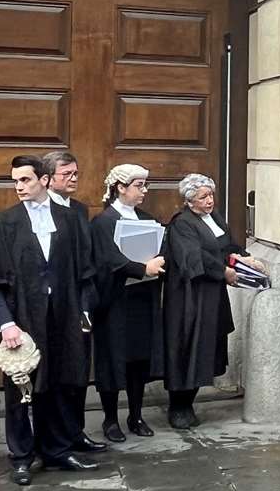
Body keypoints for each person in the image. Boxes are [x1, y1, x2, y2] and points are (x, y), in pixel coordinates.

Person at [0, 155, 98, 485]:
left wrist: (84, 312)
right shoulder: (4, 223)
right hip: (23, 318)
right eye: (15, 181)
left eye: (25, 180)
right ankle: (22, 455)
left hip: (64, 316)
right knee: (20, 387)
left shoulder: (69, 220)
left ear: (44, 180)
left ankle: (56, 449)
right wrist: (5, 323)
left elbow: (85, 271)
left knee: (58, 382)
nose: (18, 187)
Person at [164, 173, 255, 428]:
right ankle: (178, 405)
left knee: (206, 346)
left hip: (212, 296)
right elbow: (193, 258)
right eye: (203, 197)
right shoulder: (182, 223)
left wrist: (244, 258)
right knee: (187, 346)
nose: (209, 200)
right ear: (189, 201)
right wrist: (223, 271)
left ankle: (190, 401)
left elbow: (227, 245)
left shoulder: (214, 218)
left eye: (211, 195)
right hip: (190, 298)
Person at [90, 164, 165, 443]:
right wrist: (141, 268)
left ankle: (136, 415)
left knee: (138, 360)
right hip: (114, 301)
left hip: (141, 299)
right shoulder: (103, 222)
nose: (143, 191)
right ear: (120, 187)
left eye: (145, 185)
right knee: (112, 359)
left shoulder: (146, 218)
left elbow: (159, 249)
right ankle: (110, 418)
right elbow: (108, 259)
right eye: (138, 185)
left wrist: (157, 262)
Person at [42, 150, 105, 454]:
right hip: (54, 304)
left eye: (76, 173)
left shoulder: (79, 209)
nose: (73, 179)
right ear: (48, 178)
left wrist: (87, 301)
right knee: (57, 373)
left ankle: (76, 431)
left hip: (81, 299)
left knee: (79, 369)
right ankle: (56, 436)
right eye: (66, 173)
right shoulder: (40, 210)